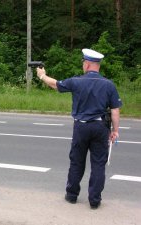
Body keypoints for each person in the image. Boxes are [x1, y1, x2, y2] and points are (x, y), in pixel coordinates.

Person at [36, 48, 122, 209]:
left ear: (88, 64)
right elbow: (115, 110)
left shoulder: (77, 81)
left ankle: (72, 195)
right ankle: (95, 201)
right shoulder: (109, 85)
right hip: (100, 127)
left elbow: (55, 84)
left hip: (81, 128)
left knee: (77, 162)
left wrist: (42, 75)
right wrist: (115, 131)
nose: (83, 65)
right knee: (98, 164)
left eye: (84, 62)